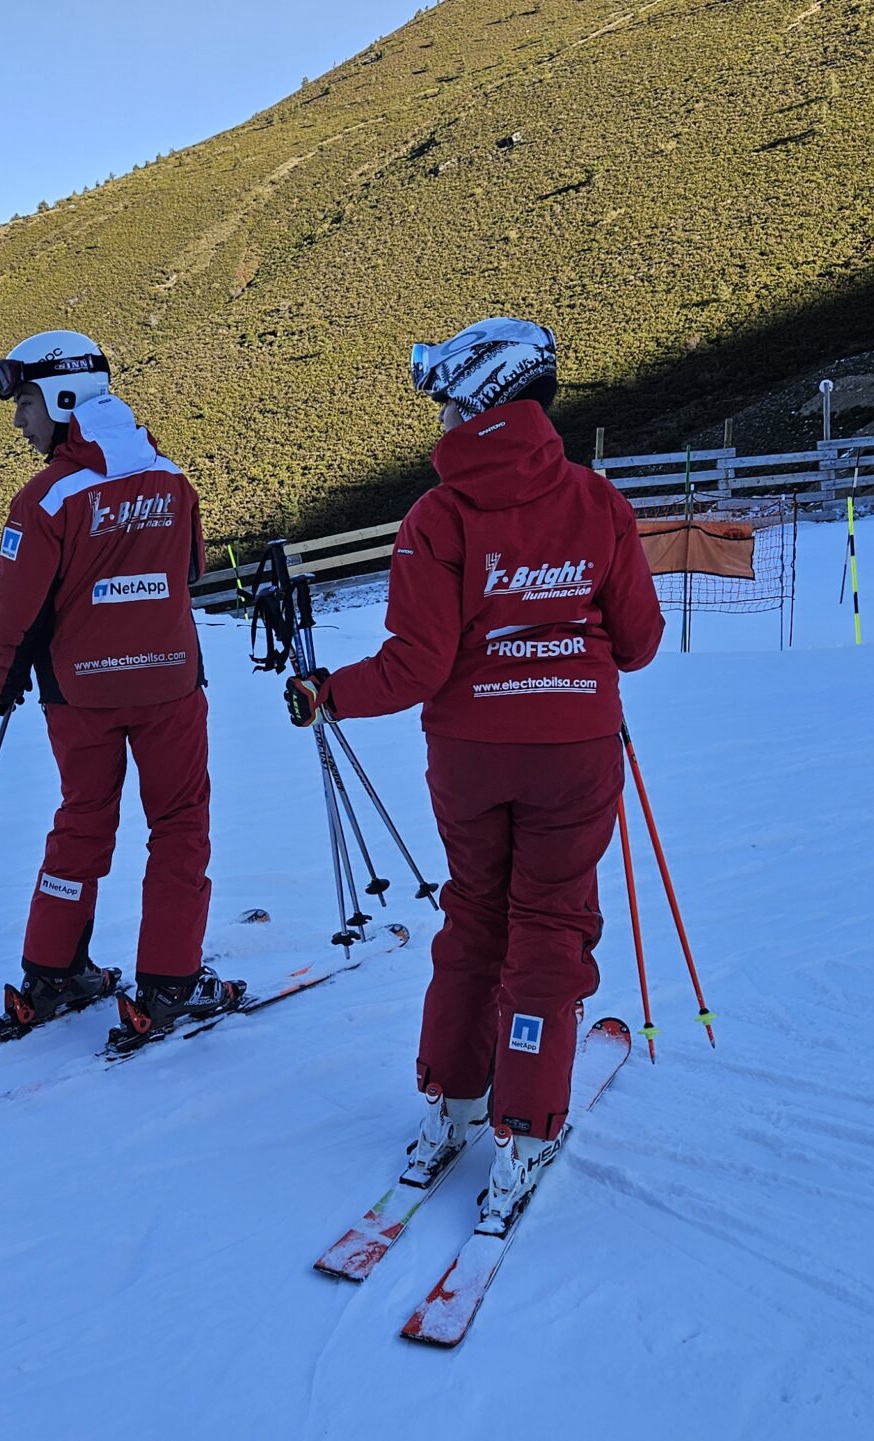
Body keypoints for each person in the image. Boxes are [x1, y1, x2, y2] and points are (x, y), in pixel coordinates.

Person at [283, 317, 663, 1227]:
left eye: (451, 398)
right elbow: (641, 642)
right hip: (574, 748)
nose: (444, 414)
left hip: (470, 757)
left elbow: (415, 666)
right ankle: (525, 1126)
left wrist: (327, 692)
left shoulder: (437, 517)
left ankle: (451, 1103)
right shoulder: (598, 502)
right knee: (549, 930)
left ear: (482, 398)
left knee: (476, 920)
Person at [0, 331, 230, 1044]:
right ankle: (170, 983)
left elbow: (14, 606)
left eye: (25, 402)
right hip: (172, 687)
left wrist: (2, 680)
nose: (20, 420)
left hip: (80, 696)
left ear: (65, 398)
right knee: (179, 825)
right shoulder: (173, 479)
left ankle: (52, 972)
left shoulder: (45, 499)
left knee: (83, 821)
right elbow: (191, 570)